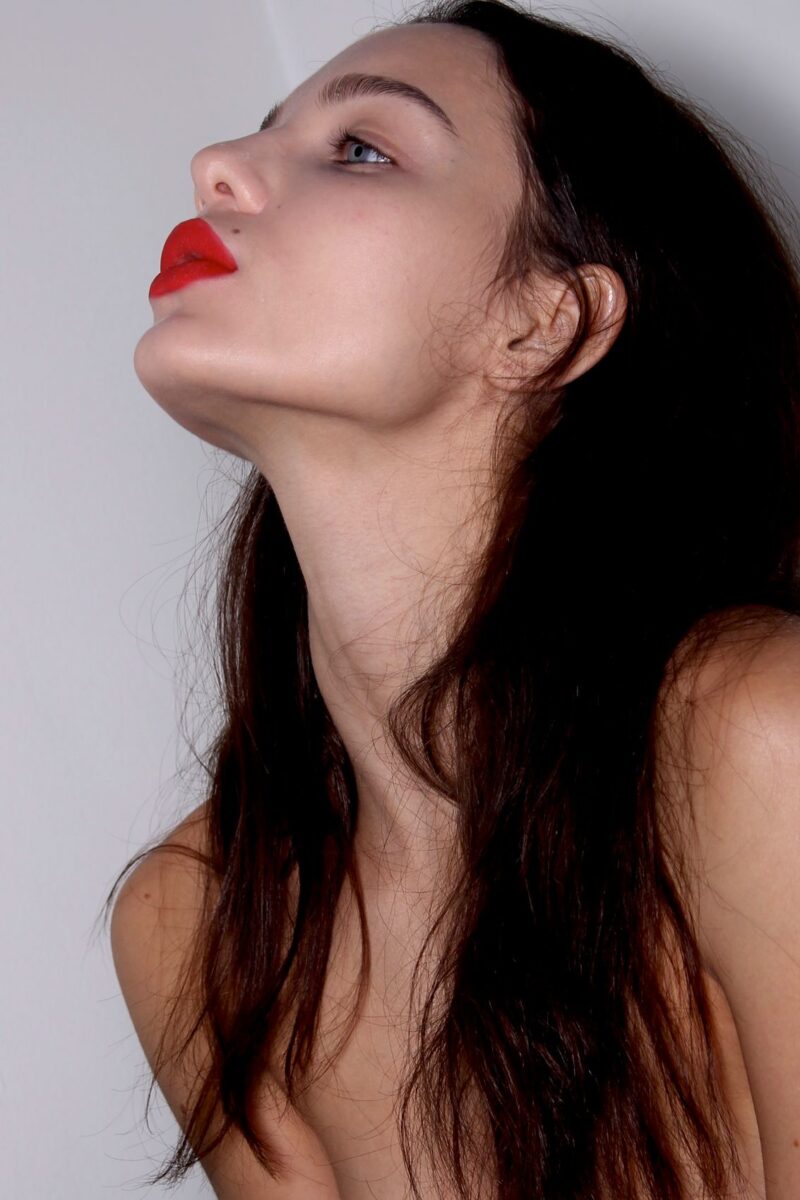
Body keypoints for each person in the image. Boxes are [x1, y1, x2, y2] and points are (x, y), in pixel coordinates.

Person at [105, 1, 800, 1197]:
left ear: (545, 320)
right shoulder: (199, 918)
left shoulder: (757, 732)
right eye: (261, 133)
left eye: (360, 149)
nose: (216, 167)